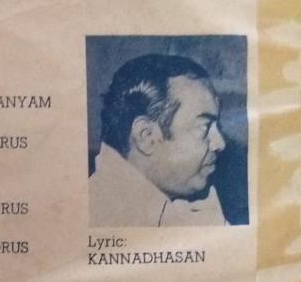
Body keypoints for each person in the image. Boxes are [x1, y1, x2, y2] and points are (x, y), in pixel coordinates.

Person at [89, 53, 227, 227]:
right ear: (146, 137)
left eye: (217, 126)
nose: (220, 143)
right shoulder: (96, 216)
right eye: (204, 127)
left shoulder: (199, 203)